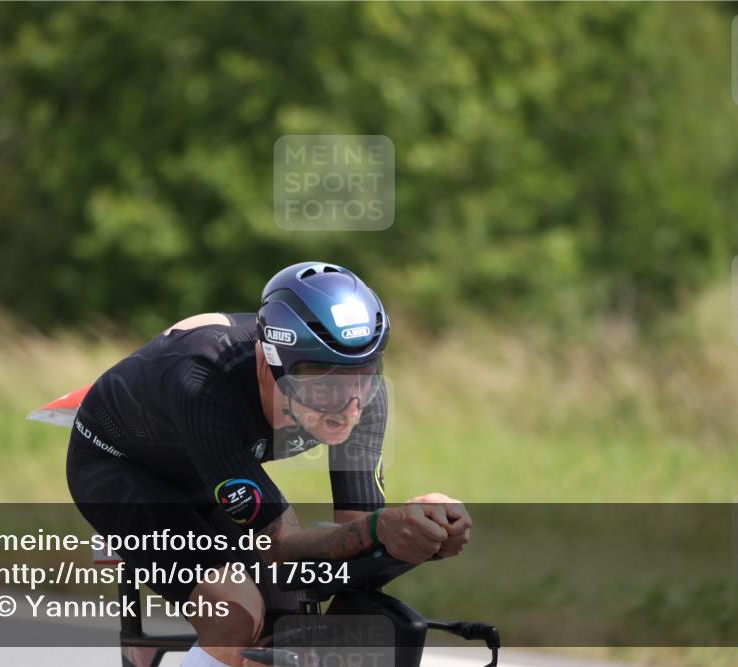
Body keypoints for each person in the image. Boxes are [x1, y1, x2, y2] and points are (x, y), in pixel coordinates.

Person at [66, 261, 471, 667]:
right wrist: (379, 528)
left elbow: (356, 544)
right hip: (119, 468)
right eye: (325, 385)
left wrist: (423, 529)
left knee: (286, 634)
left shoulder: (363, 400)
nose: (348, 407)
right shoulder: (203, 379)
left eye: (363, 376)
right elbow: (279, 546)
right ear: (275, 361)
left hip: (204, 472)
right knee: (234, 616)